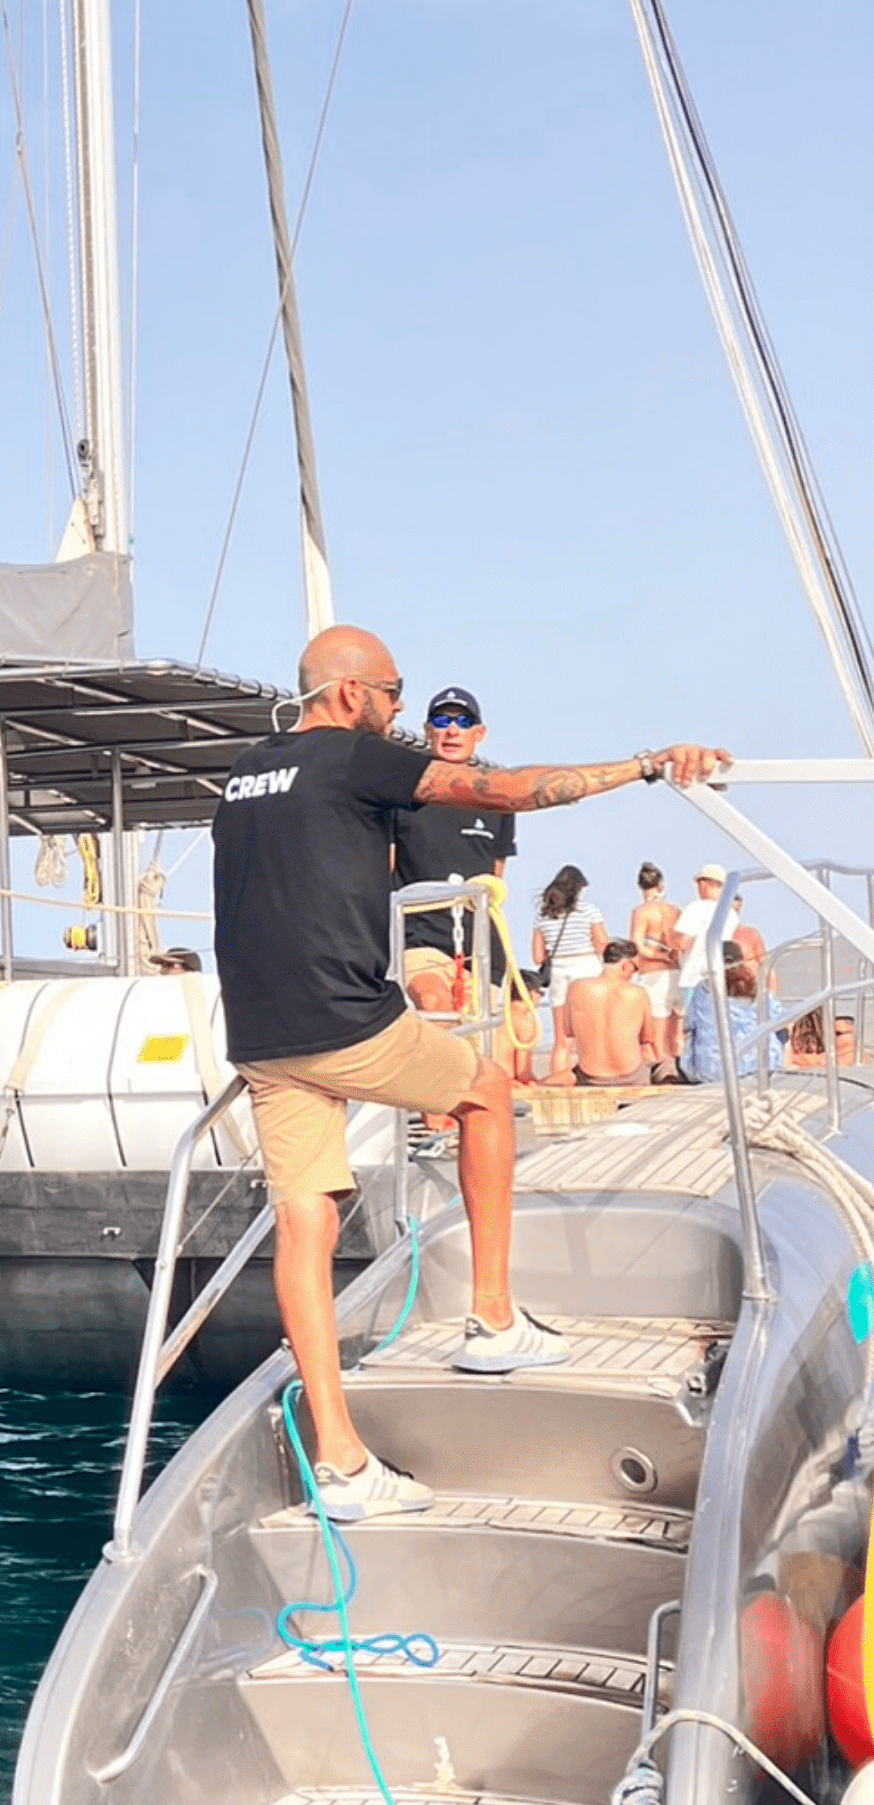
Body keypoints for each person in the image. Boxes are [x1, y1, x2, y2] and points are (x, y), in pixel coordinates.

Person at [209, 621, 726, 1520]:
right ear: (347, 693)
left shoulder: (245, 775)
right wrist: (646, 763)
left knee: (305, 1223)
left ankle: (339, 1461)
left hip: (260, 1035)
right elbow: (514, 790)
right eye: (393, 691)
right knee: (487, 1091)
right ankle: (493, 1319)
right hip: (345, 1022)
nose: (400, 709)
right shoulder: (352, 754)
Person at [390, 685, 514, 1024]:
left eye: (463, 721)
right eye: (442, 720)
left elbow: (495, 878)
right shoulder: (402, 793)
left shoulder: (496, 799)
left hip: (480, 940)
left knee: (493, 1038)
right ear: (428, 731)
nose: (452, 730)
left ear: (480, 733)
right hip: (420, 935)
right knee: (435, 1003)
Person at [531, 868, 610, 1086]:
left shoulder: (543, 916)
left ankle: (559, 1082)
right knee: (591, 1033)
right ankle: (594, 1078)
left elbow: (538, 957)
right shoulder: (589, 911)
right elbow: (602, 943)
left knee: (562, 1040)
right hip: (586, 968)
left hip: (558, 970)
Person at [562, 942, 651, 1088]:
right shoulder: (637, 993)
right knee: (663, 1061)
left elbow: (568, 1031)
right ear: (626, 965)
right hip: (631, 1076)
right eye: (635, 969)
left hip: (591, 1076)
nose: (633, 975)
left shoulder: (576, 988)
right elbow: (648, 1037)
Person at [680, 952, 766, 1087]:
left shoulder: (702, 988)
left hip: (708, 1074)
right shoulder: (756, 988)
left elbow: (688, 1026)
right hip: (752, 1071)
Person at [630, 864, 683, 1075]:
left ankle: (663, 1073)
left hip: (654, 973)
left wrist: (657, 955)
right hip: (677, 973)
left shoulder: (641, 912)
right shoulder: (675, 911)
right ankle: (677, 1070)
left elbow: (638, 945)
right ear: (661, 885)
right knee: (676, 1031)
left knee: (657, 1035)